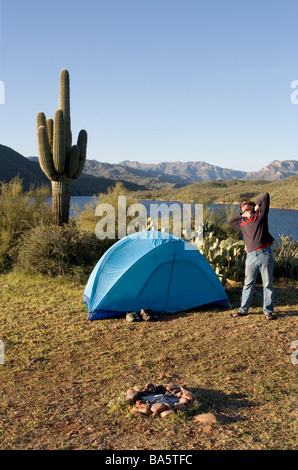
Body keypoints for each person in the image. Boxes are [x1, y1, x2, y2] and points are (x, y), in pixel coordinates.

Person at [227, 192, 275, 320]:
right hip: (251, 256)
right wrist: (242, 214)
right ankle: (243, 310)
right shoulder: (241, 222)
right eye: (242, 205)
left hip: (265, 253)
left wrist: (256, 207)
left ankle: (268, 311)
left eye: (245, 203)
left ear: (251, 205)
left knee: (268, 284)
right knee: (248, 284)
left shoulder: (260, 216)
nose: (243, 205)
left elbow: (265, 195)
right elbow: (229, 221)